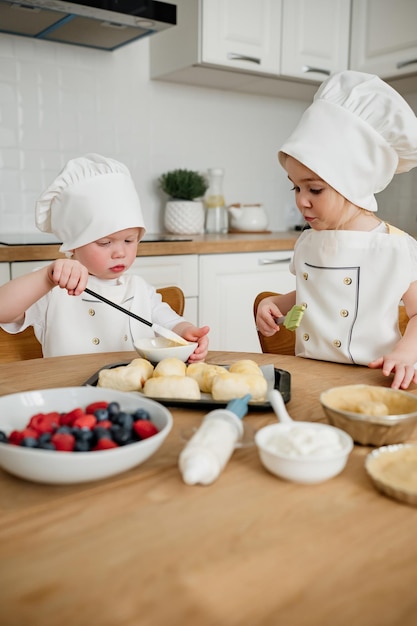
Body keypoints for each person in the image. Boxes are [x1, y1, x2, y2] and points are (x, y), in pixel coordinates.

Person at [256, 70, 417, 390]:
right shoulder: (309, 241)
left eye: (314, 190)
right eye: (296, 188)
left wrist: (405, 352)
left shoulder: (393, 248)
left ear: (354, 183)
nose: (302, 202)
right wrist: (275, 302)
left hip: (373, 379)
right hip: (307, 374)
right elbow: (314, 292)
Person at [0, 154, 209, 360]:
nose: (120, 252)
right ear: (74, 245)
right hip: (70, 391)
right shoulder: (53, 286)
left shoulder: (140, 290)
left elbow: (172, 325)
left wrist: (187, 332)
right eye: (105, 243)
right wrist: (46, 278)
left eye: (129, 240)